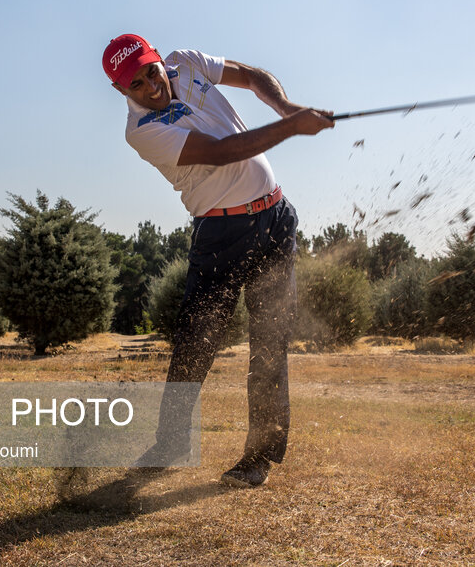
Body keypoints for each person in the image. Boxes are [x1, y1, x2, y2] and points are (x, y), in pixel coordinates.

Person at [103, 34, 334, 486]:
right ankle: (170, 442)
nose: (151, 86)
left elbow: (250, 75)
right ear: (120, 91)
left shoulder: (186, 63)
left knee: (271, 338)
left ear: (156, 59)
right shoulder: (142, 132)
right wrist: (292, 128)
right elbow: (222, 153)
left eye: (151, 71)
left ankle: (259, 458)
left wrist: (286, 109)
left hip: (276, 216)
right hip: (221, 231)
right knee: (196, 342)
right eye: (136, 84)